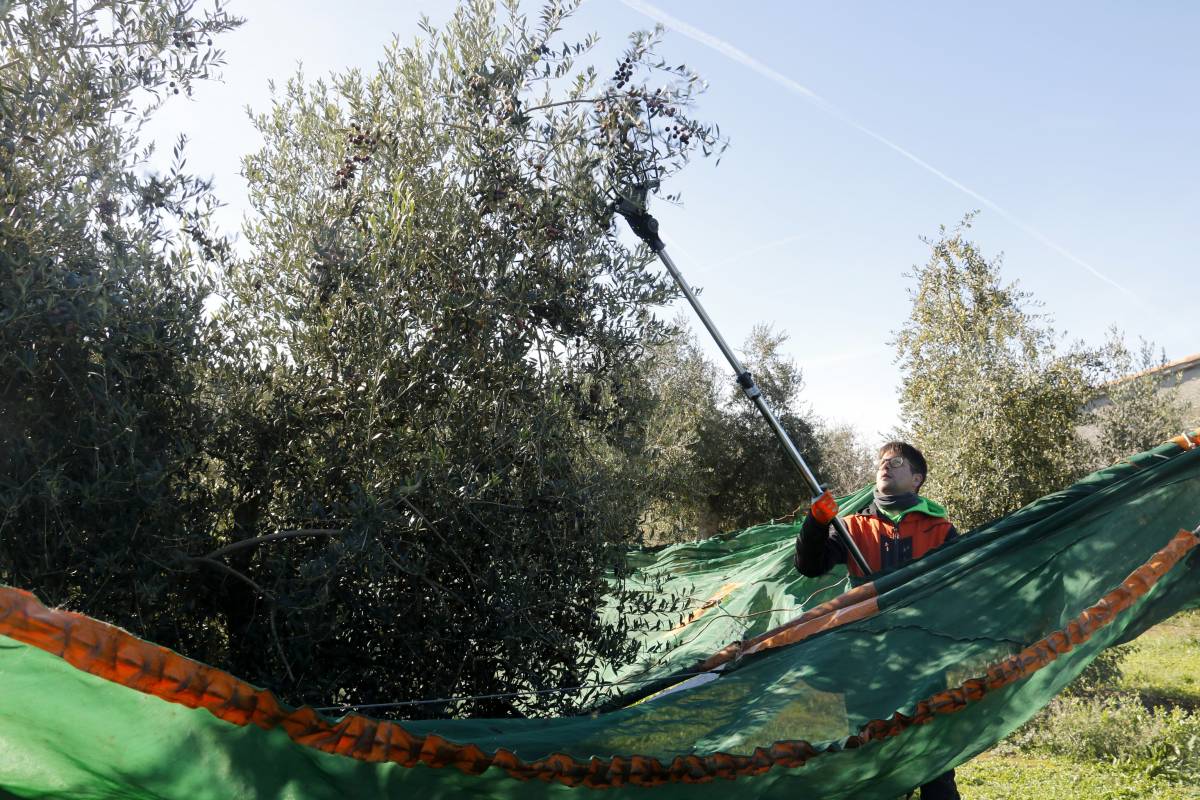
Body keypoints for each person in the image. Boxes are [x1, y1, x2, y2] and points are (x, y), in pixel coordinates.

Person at [794, 440, 961, 800]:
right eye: (882, 461)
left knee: (934, 763)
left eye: (897, 462)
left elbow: (958, 591)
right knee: (867, 758)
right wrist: (817, 521)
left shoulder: (940, 529)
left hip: (923, 658)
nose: (886, 465)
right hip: (865, 661)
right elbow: (809, 565)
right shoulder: (852, 526)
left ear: (917, 479)